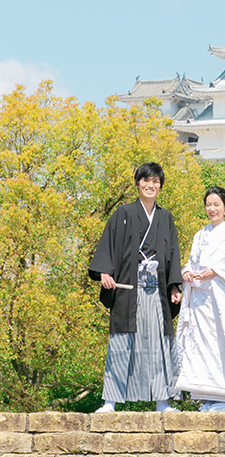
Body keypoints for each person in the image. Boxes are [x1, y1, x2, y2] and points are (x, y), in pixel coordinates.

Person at [89, 162, 182, 412]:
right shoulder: (123, 213)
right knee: (122, 342)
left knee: (158, 343)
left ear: (160, 186)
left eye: (155, 182)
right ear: (137, 183)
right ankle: (110, 401)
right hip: (129, 286)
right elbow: (108, 244)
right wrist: (105, 272)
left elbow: (173, 252)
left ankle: (162, 400)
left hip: (157, 288)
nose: (150, 185)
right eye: (146, 181)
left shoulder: (165, 217)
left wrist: (174, 286)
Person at [175, 186, 225, 412]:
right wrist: (187, 272)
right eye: (208, 204)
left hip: (220, 299)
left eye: (217, 204)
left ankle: (224, 398)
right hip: (200, 300)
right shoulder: (200, 234)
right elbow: (191, 261)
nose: (212, 209)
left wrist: (216, 271)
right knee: (200, 345)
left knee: (220, 344)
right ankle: (206, 396)